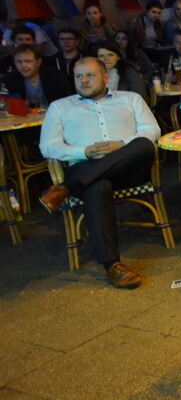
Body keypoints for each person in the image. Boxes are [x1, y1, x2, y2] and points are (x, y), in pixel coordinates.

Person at [38, 57, 161, 288]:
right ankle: (113, 265)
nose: (84, 80)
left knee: (143, 144)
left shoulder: (130, 98)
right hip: (86, 165)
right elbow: (48, 146)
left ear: (105, 77)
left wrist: (122, 144)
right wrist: (84, 151)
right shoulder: (60, 107)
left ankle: (66, 188)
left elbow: (151, 130)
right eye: (78, 76)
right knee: (97, 184)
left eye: (90, 75)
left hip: (129, 167)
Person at [2, 45, 74, 108]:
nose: (23, 65)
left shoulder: (55, 76)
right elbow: (3, 106)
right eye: (19, 62)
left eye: (28, 61)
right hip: (23, 121)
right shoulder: (9, 79)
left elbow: (67, 102)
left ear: (38, 62)